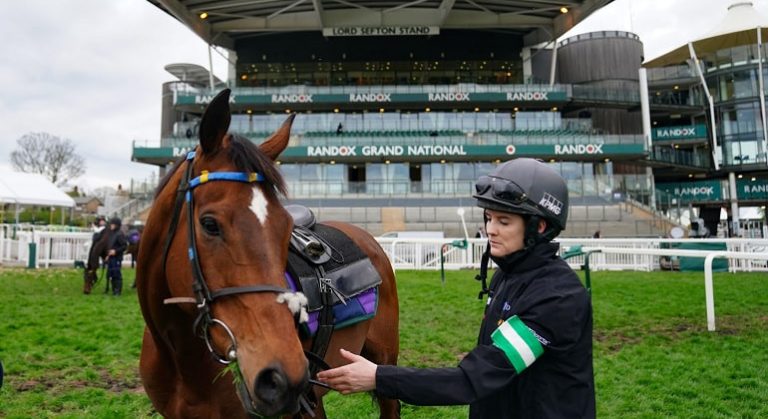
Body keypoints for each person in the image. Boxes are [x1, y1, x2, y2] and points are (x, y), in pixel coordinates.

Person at [318, 158, 595, 418]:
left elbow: (473, 379)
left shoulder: (558, 298)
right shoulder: (506, 276)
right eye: (489, 218)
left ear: (540, 226)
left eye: (504, 221)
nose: (491, 229)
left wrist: (378, 377)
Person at [106, 217, 127, 296]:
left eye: (112, 224)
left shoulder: (120, 234)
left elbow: (124, 246)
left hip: (117, 258)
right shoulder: (112, 234)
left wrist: (115, 251)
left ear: (116, 225)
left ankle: (118, 291)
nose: (111, 225)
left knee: (117, 274)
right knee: (111, 274)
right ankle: (114, 290)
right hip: (111, 257)